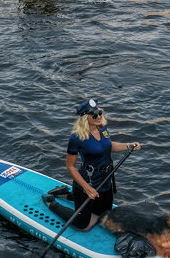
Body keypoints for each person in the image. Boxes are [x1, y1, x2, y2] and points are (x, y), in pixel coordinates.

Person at [42, 99, 141, 231]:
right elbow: (70, 166)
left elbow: (109, 146)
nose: (99, 116)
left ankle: (66, 194)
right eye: (94, 115)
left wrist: (128, 145)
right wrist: (87, 187)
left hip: (105, 180)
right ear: (85, 118)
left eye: (100, 113)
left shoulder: (102, 128)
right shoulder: (77, 138)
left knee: (104, 214)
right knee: (81, 223)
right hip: (87, 182)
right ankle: (52, 203)